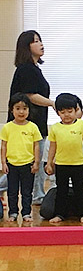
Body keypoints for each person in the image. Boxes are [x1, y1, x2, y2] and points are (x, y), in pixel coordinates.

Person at [39, 97, 83, 221]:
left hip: (82, 174)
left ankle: (82, 213)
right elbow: (52, 147)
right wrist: (49, 164)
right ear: (58, 113)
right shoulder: (55, 128)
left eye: (70, 111)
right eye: (62, 112)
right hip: (61, 167)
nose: (67, 115)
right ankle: (60, 214)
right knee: (52, 204)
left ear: (78, 111)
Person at [9, 30, 53, 205]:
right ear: (26, 46)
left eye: (40, 40)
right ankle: (38, 195)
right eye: (35, 41)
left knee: (35, 162)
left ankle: (38, 194)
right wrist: (53, 103)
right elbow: (30, 95)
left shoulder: (34, 69)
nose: (41, 44)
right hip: (26, 126)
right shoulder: (26, 69)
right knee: (22, 165)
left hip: (35, 124)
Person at [1, 93, 42, 223]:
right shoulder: (7, 127)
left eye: (24, 108)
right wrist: (3, 163)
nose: (21, 112)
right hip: (12, 164)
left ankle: (26, 213)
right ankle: (13, 212)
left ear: (29, 110)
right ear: (11, 110)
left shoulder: (33, 127)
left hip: (28, 164)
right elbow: (3, 146)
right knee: (12, 191)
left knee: (27, 191)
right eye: (17, 108)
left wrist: (36, 162)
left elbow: (36, 146)